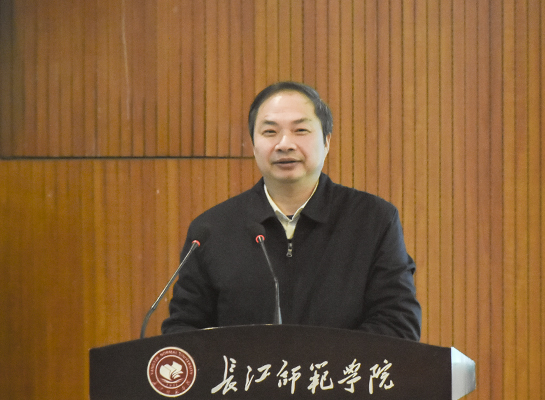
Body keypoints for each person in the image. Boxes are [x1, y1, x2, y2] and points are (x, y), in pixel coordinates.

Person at [162, 81, 421, 341]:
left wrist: (319, 360)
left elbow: (398, 324)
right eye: (270, 132)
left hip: (340, 369)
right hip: (242, 369)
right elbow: (183, 331)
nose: (285, 144)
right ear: (253, 144)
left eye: (300, 130)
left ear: (326, 141)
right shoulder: (211, 231)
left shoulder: (373, 220)